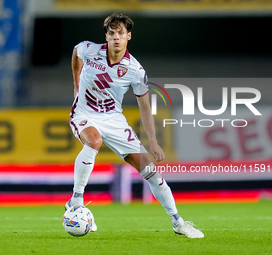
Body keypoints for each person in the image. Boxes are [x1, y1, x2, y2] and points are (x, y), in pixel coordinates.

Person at [66, 12, 204, 238]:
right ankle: (77, 200)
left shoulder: (135, 70)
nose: (116, 38)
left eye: (121, 33)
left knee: (151, 171)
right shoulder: (89, 49)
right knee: (94, 141)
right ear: (107, 37)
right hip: (84, 113)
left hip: (114, 119)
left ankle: (178, 222)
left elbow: (145, 108)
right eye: (112, 34)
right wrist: (77, 82)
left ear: (129, 36)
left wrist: (154, 142)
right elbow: (76, 52)